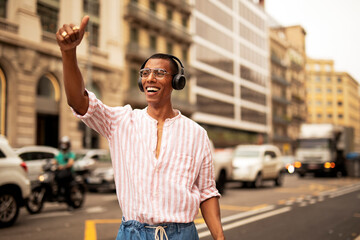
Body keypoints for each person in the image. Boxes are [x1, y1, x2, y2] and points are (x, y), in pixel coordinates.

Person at [56, 16, 225, 240]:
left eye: (159, 73)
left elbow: (206, 192)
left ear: (177, 82)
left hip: (182, 234)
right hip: (132, 233)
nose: (150, 79)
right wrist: (69, 53)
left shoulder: (197, 134)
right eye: (145, 73)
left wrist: (220, 238)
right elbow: (78, 101)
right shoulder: (120, 121)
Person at [55, 136, 75, 206]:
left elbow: (70, 163)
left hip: (68, 174)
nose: (63, 145)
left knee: (67, 188)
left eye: (65, 144)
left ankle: (70, 204)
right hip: (59, 173)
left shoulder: (71, 154)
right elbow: (54, 161)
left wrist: (63, 166)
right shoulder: (59, 153)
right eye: (62, 143)